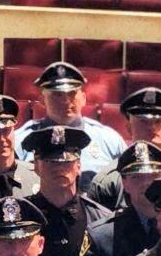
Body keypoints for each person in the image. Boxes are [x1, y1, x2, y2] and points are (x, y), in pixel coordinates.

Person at [12, 62, 127, 190]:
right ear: (42, 100)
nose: (65, 101)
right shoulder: (21, 140)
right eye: (57, 94)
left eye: (72, 93)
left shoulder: (109, 140)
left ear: (83, 98)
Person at [84, 87, 161, 209]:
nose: (151, 127)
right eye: (143, 122)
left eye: (158, 121)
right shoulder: (108, 180)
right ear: (129, 128)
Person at [20, 126, 114, 256]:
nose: (60, 168)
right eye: (51, 162)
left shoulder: (99, 218)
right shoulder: (21, 217)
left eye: (66, 162)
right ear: (36, 166)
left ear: (79, 166)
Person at [76, 141, 161, 256]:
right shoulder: (102, 236)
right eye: (136, 177)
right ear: (124, 183)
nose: (146, 183)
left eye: (154, 175)